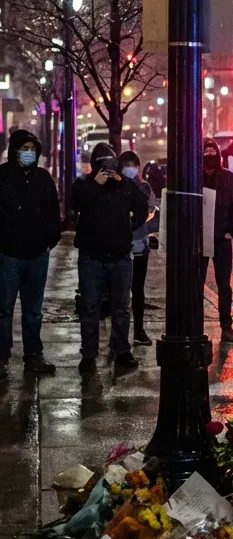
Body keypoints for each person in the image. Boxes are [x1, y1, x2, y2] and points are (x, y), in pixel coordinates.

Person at [71, 142, 149, 376]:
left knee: (120, 307)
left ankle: (122, 350)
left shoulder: (123, 185)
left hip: (120, 257)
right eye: (102, 163)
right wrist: (96, 185)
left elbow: (142, 208)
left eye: (110, 162)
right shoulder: (84, 184)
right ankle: (89, 354)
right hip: (92, 257)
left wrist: (128, 229)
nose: (107, 167)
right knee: (90, 307)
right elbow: (76, 205)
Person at [0, 130, 61, 377]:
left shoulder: (43, 178)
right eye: (24, 147)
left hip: (37, 255)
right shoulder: (3, 176)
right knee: (4, 309)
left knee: (33, 310)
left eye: (32, 148)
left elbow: (53, 212)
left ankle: (33, 356)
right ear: (15, 150)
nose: (29, 152)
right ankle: (2, 357)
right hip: (8, 255)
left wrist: (50, 240)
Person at [201, 137, 233, 344]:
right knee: (195, 284)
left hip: (221, 239)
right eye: (205, 153)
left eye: (212, 153)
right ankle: (195, 325)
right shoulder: (196, 177)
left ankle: (226, 326)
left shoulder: (228, 178)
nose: (209, 156)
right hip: (200, 239)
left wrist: (230, 232)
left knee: (224, 285)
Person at [119, 151, 157, 347]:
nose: (130, 168)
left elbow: (151, 210)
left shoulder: (143, 187)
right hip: (121, 246)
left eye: (133, 164)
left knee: (138, 290)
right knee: (120, 292)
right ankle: (119, 336)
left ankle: (139, 330)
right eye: (126, 164)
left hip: (140, 245)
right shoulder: (116, 187)